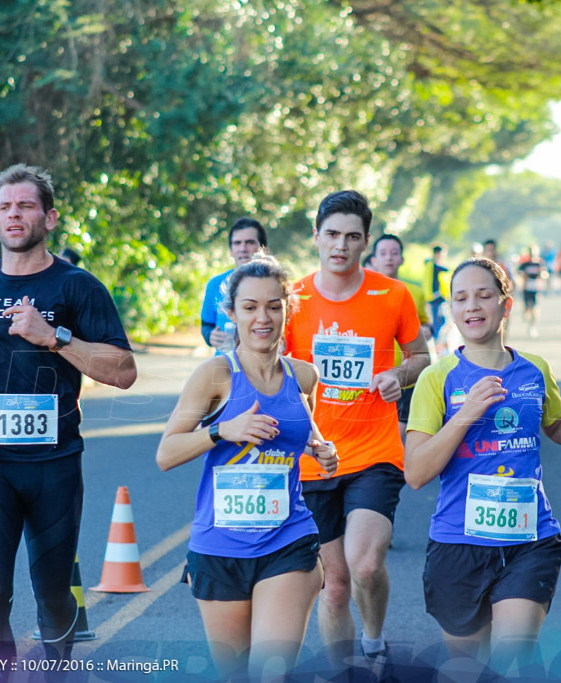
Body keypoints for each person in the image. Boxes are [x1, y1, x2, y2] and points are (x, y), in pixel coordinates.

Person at [0, 164, 137, 665]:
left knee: (52, 595)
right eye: (5, 207)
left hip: (54, 464)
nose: (14, 214)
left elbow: (123, 371)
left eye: (25, 206)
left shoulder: (78, 287)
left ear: (49, 218)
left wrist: (55, 337)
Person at [405, 257, 561, 677]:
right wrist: (464, 415)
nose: (472, 306)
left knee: (510, 661)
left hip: (530, 539)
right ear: (451, 310)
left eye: (484, 295)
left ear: (506, 303)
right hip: (458, 542)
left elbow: (555, 425)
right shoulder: (438, 377)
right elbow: (415, 472)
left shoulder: (534, 369)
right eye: (460, 298)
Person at [156, 253, 339, 681]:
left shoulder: (304, 376)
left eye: (274, 306)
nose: (263, 318)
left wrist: (320, 450)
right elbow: (166, 454)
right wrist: (223, 430)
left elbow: (304, 433)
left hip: (287, 540)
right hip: (220, 548)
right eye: (251, 307)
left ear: (288, 310)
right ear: (232, 314)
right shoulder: (214, 375)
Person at [283, 190, 430, 672]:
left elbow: (421, 357)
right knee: (335, 582)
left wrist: (399, 375)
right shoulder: (294, 299)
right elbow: (268, 365)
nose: (340, 246)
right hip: (313, 455)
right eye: (331, 235)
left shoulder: (394, 295)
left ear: (366, 241)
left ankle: (373, 640)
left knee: (365, 565)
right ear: (316, 237)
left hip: (376, 450)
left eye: (351, 237)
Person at [369, 234, 434, 438]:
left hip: (406, 376)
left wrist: (426, 329)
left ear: (402, 259)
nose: (389, 258)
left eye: (394, 253)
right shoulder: (364, 293)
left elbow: (424, 322)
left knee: (399, 434)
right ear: (373, 260)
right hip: (373, 378)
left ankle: (399, 469)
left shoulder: (413, 292)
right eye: (383, 253)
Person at [200, 217, 267, 353]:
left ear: (263, 248)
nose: (243, 248)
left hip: (261, 367)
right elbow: (206, 325)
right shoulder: (215, 284)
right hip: (224, 366)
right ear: (231, 250)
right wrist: (210, 336)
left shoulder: (274, 285)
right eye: (237, 243)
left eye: (249, 242)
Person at [423, 243, 451, 347]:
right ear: (437, 254)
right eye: (442, 254)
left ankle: (436, 342)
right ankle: (435, 343)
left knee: (441, 320)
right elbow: (447, 270)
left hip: (436, 298)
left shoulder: (429, 264)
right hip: (436, 298)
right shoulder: (434, 265)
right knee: (438, 321)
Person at [516, 246, 548, 338]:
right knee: (528, 307)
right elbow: (519, 272)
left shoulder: (539, 264)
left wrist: (543, 275)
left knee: (535, 308)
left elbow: (545, 274)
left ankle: (532, 326)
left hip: (536, 288)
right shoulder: (525, 264)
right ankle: (526, 315)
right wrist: (523, 275)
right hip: (526, 288)